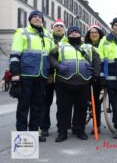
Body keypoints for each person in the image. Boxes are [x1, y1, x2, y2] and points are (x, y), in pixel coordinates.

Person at [9, 10, 53, 142]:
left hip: (41, 75)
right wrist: (15, 74)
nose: (37, 19)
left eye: (40, 17)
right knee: (23, 106)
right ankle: (22, 134)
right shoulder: (22, 32)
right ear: (30, 19)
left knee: (38, 106)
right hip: (25, 75)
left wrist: (50, 73)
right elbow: (15, 54)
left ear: (43, 20)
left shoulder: (47, 34)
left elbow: (50, 56)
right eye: (34, 17)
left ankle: (34, 132)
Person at [50, 26, 100, 142]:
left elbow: (97, 60)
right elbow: (51, 57)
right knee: (63, 108)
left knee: (81, 108)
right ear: (68, 34)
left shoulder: (88, 47)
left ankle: (79, 130)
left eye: (76, 32)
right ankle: (62, 131)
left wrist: (95, 76)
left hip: (83, 83)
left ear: (80, 34)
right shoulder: (61, 46)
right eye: (71, 32)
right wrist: (58, 66)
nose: (74, 34)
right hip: (63, 82)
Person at [40, 19, 66, 137]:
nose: (59, 28)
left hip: (63, 77)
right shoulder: (47, 39)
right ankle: (44, 127)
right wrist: (49, 73)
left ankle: (62, 127)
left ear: (64, 28)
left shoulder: (68, 41)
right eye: (57, 26)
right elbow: (46, 57)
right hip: (48, 77)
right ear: (53, 28)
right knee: (45, 104)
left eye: (61, 26)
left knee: (62, 104)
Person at [84, 24, 105, 135]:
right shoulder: (84, 45)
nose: (93, 34)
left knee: (95, 101)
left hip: (99, 76)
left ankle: (97, 125)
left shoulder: (104, 44)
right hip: (86, 75)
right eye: (91, 32)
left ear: (99, 34)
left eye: (96, 32)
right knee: (84, 99)